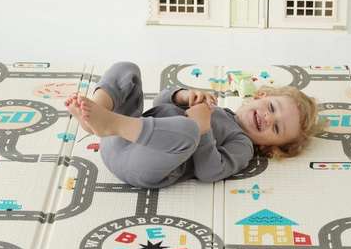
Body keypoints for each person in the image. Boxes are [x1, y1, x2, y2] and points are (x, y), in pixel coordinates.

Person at [65, 61, 319, 190]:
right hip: (121, 138)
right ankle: (95, 116)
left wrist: (203, 128)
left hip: (141, 164)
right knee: (127, 69)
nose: (268, 118)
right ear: (259, 96)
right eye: (272, 108)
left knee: (189, 131)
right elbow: (160, 103)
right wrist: (183, 96)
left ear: (269, 147)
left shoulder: (243, 146)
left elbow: (210, 172)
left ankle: (108, 122)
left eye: (276, 128)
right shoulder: (217, 107)